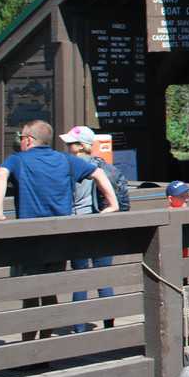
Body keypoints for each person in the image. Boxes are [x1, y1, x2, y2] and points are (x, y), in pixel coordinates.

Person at [0, 120, 119, 340]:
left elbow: (0, 174)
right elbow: (98, 172)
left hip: (30, 237)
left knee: (31, 294)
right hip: (59, 237)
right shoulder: (66, 160)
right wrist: (112, 204)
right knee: (50, 290)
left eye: (21, 137)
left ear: (28, 140)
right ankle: (47, 346)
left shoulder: (18, 160)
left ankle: (30, 349)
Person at [60, 127, 117, 333]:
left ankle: (80, 327)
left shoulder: (71, 167)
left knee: (80, 276)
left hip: (79, 223)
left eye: (71, 144)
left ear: (82, 146)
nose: (67, 148)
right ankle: (109, 325)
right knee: (103, 276)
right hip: (102, 223)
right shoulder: (103, 165)